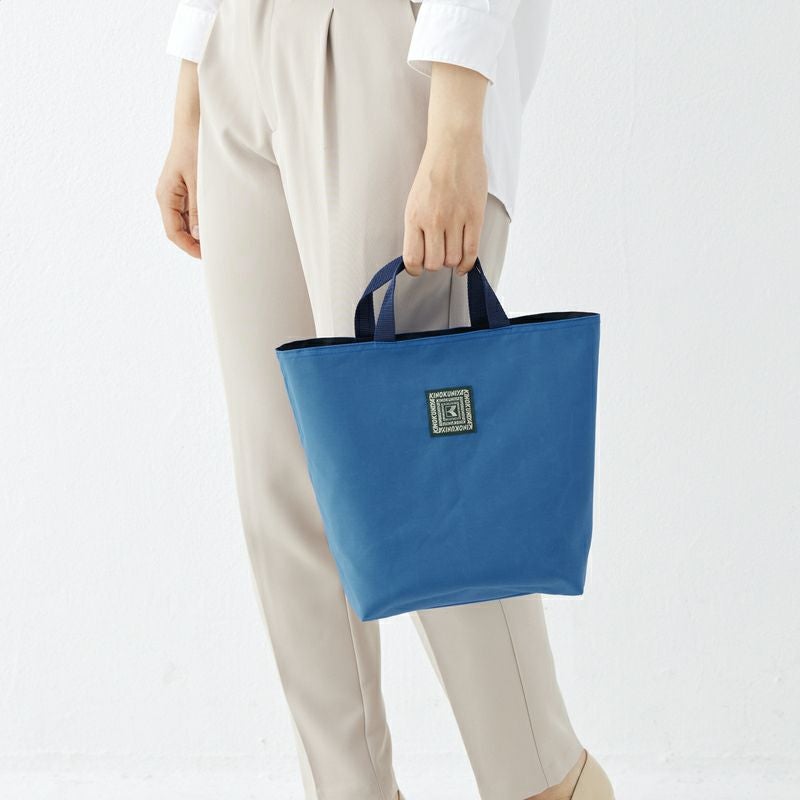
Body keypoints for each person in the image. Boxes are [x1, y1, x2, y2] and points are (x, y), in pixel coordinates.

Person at [155, 1, 614, 798]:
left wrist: (457, 120)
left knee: (430, 476)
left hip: (390, 45)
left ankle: (546, 785)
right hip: (239, 47)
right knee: (285, 486)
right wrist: (194, 85)